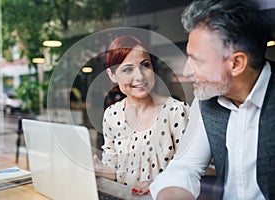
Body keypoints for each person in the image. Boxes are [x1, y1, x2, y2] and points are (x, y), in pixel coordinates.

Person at [149, 0, 275, 199]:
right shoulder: (206, 99)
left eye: (197, 60)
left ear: (236, 63)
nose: (186, 71)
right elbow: (186, 166)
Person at [93, 35, 189, 195]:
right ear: (112, 75)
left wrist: (161, 183)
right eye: (128, 69)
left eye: (145, 65)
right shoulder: (112, 114)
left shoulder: (176, 111)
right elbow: (116, 173)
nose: (140, 76)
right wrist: (98, 169)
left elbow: (189, 170)